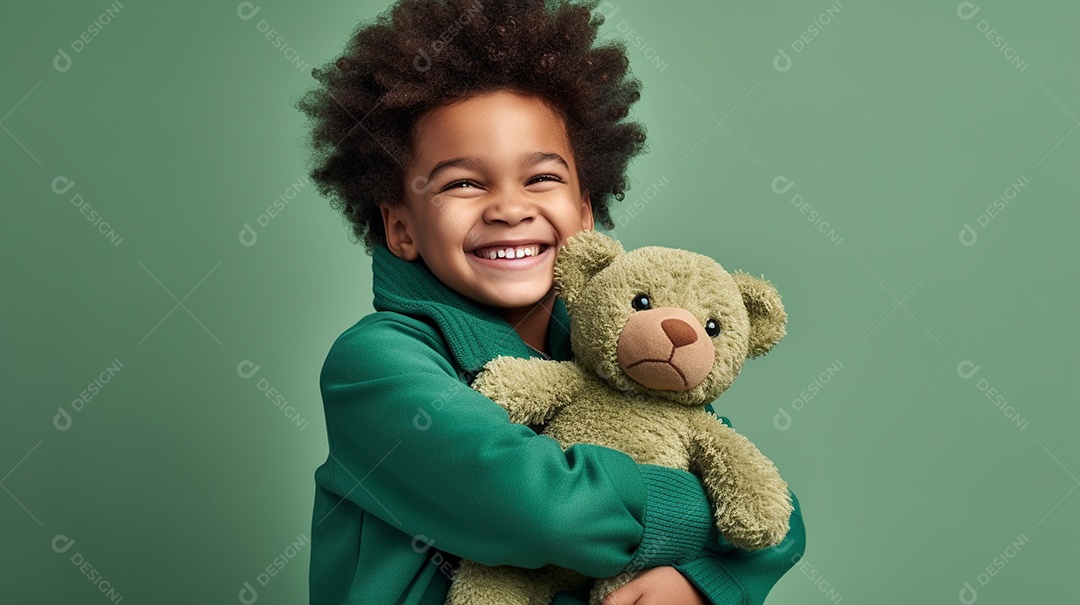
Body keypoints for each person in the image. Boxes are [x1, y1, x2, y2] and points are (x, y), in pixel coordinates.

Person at [294, 1, 806, 603]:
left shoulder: (615, 351)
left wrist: (701, 582)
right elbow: (538, 509)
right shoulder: (374, 366)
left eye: (541, 178)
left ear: (586, 213)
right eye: (463, 182)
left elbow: (777, 517)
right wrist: (698, 513)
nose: (510, 209)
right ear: (400, 226)